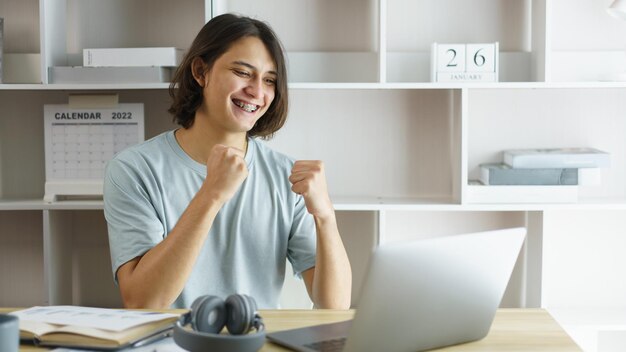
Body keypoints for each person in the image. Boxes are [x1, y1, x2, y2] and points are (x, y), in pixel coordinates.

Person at [103, 13, 352, 310]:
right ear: (200, 71)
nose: (258, 92)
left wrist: (325, 217)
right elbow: (142, 301)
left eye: (269, 80)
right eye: (243, 72)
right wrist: (211, 195)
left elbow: (334, 307)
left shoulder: (288, 177)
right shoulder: (133, 170)